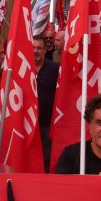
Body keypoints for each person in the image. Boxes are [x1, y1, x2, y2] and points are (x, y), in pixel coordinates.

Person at [33, 35, 60, 170]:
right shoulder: (20, 67)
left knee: (46, 160)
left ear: (45, 50)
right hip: (26, 125)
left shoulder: (55, 69)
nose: (35, 51)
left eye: (39, 48)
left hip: (46, 125)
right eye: (32, 48)